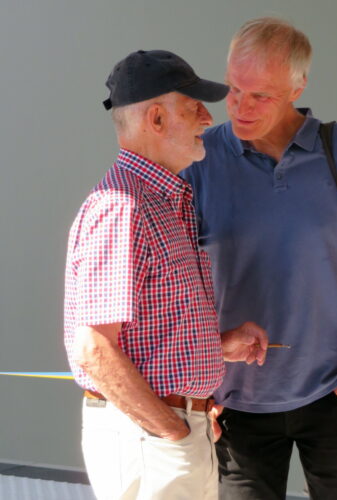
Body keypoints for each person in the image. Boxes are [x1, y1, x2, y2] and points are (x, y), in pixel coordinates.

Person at [181, 17, 337, 500]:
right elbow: (175, 287)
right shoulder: (198, 159)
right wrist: (194, 388)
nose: (240, 108)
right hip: (234, 404)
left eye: (260, 95)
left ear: (297, 85)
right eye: (232, 89)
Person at [64, 49, 268, 500]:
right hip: (154, 439)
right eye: (193, 104)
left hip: (166, 435)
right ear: (155, 119)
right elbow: (94, 349)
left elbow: (144, 340)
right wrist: (173, 430)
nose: (206, 117)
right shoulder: (122, 206)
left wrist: (216, 348)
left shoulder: (159, 203)